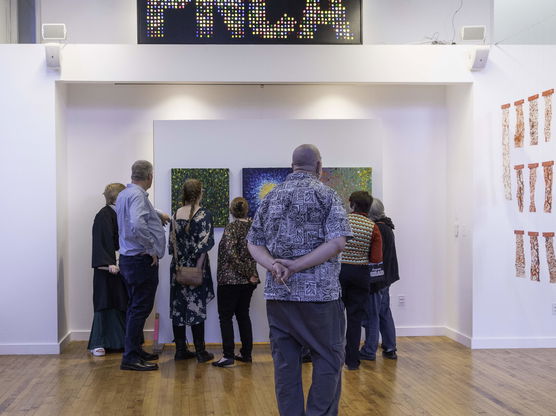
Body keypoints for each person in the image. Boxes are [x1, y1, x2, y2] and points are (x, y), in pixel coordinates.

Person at [247, 144, 352, 416]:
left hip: (279, 296)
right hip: (320, 298)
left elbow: (253, 243)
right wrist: (296, 266)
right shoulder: (327, 194)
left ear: (292, 165)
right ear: (319, 166)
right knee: (328, 360)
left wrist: (274, 265)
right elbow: (338, 242)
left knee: (285, 365)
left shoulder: (271, 198)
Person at [116, 160, 166, 371]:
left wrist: (156, 215)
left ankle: (135, 350)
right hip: (140, 259)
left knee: (134, 307)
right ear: (149, 177)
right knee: (139, 308)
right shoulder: (137, 195)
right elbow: (136, 223)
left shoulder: (124, 195)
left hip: (129, 258)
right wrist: (152, 248)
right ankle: (130, 358)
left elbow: (134, 219)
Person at [169, 179, 215, 363]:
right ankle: (200, 352)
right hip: (196, 268)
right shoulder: (203, 214)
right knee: (196, 307)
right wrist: (198, 269)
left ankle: (180, 350)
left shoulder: (175, 214)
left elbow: (171, 245)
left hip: (178, 269)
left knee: (178, 307)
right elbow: (204, 246)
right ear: (199, 193)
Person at [212, 197, 260, 368]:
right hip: (248, 281)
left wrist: (247, 273)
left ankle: (228, 356)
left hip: (230, 280)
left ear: (231, 211)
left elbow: (232, 255)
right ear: (246, 210)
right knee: (243, 315)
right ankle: (246, 354)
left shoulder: (231, 228)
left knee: (225, 317)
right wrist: (250, 275)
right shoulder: (253, 227)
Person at [339, 191, 382, 370]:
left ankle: (333, 356)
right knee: (355, 319)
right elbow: (376, 258)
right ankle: (352, 361)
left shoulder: (342, 221)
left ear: (351, 204)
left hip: (340, 271)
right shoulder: (372, 226)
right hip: (361, 274)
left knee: (335, 316)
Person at [88, 183, 128, 357]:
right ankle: (99, 342)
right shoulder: (103, 215)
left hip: (120, 266)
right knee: (105, 303)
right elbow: (101, 242)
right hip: (107, 268)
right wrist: (108, 264)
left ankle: (120, 341)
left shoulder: (120, 214)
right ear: (117, 198)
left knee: (121, 302)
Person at [360, 198, 400, 361]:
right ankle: (390, 347)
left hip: (378, 279)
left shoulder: (377, 229)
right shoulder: (387, 226)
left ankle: (369, 349)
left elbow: (375, 257)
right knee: (383, 312)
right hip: (386, 278)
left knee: (372, 314)